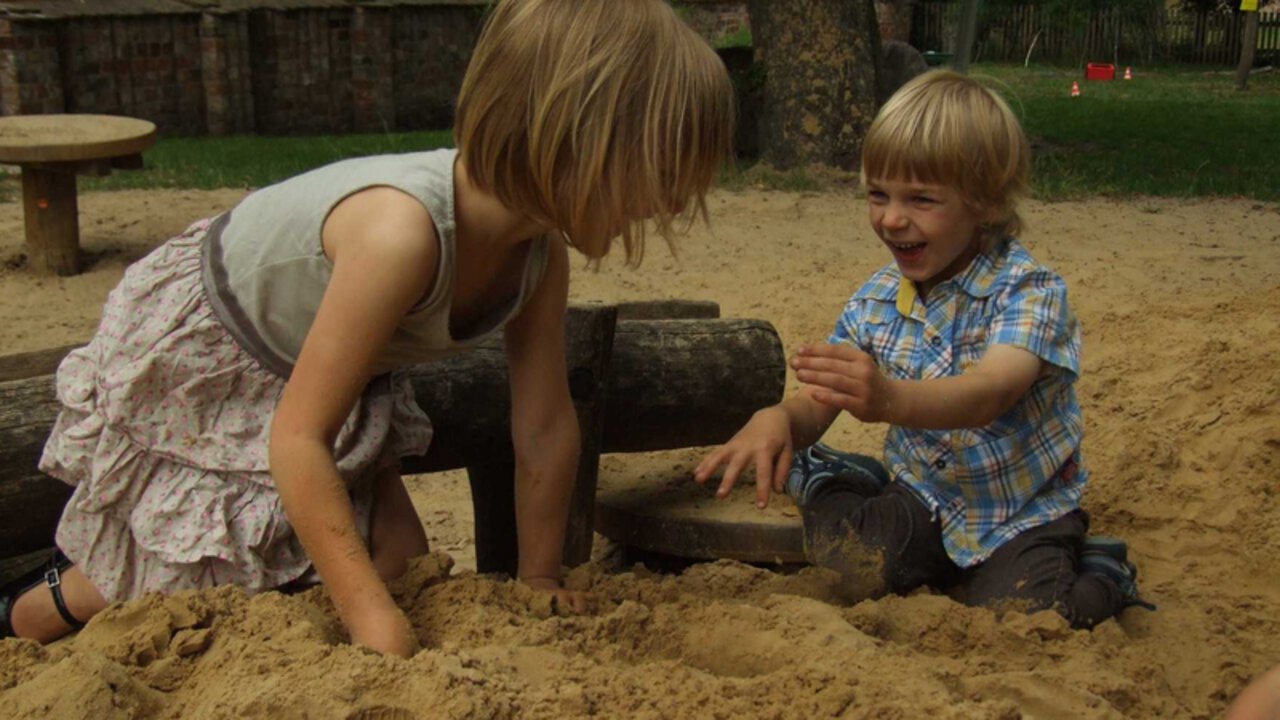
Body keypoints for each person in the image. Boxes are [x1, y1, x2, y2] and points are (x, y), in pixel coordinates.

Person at [0, 0, 734, 657]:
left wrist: (539, 575)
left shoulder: (537, 255)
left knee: (399, 562)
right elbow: (298, 438)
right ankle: (46, 605)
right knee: (204, 566)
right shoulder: (400, 236)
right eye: (663, 171)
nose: (671, 202)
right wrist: (370, 623)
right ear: (576, 138)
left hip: (315, 368)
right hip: (219, 349)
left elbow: (543, 425)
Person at [695, 70, 1152, 629]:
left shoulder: (1028, 292)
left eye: (921, 199)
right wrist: (781, 420)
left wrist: (889, 399)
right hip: (925, 496)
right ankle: (828, 475)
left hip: (1022, 512)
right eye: (878, 194)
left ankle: (1105, 571)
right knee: (854, 564)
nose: (891, 218)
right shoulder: (877, 300)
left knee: (1033, 619)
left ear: (986, 203)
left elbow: (990, 392)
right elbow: (820, 400)